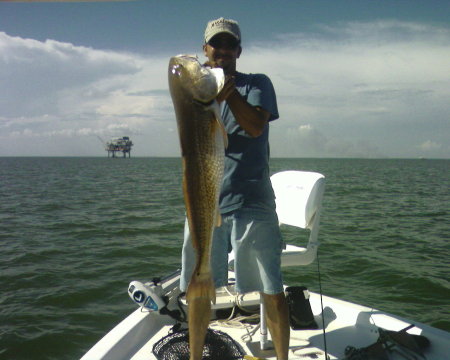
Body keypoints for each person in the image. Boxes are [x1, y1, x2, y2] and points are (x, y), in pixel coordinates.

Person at [180, 17, 290, 360]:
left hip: (253, 198)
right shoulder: (197, 91)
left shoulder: (256, 83)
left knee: (271, 286)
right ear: (205, 49)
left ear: (239, 51)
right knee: (197, 286)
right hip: (205, 200)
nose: (223, 50)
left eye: (230, 45)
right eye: (216, 44)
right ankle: (195, 355)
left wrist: (230, 95)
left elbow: (256, 126)